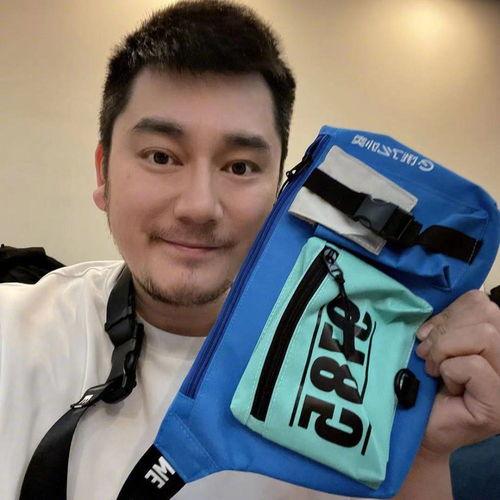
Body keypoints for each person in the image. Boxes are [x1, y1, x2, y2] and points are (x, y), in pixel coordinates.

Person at [1, 1, 499, 499]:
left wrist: (421, 452)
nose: (199, 207)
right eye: (161, 157)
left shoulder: (358, 377)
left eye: (239, 167)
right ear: (103, 172)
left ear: (282, 191)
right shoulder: (14, 335)